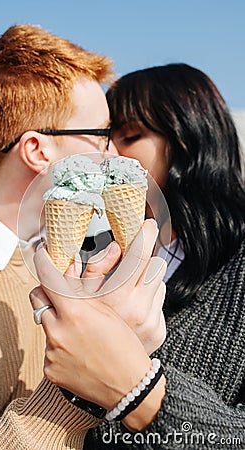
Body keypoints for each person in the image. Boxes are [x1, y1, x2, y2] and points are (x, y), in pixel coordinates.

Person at [0, 24, 167, 449]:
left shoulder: (77, 259)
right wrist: (74, 397)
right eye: (102, 135)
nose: (114, 154)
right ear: (37, 151)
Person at [83, 64, 245, 448]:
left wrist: (140, 392)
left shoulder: (237, 266)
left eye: (128, 136)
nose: (107, 154)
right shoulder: (99, 250)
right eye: (104, 138)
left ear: (187, 137)